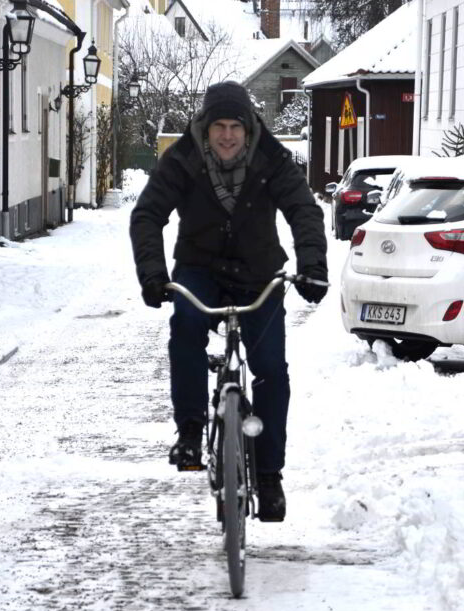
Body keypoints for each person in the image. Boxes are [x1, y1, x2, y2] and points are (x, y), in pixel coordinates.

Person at [129, 80, 328, 522]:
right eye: (218, 125)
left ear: (249, 126)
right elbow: (147, 215)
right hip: (199, 270)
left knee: (272, 369)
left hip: (259, 275)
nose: (226, 135)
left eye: (234, 126)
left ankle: (270, 474)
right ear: (205, 124)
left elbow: (303, 210)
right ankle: (190, 430)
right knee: (184, 328)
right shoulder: (181, 159)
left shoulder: (272, 159)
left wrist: (312, 265)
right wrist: (153, 275)